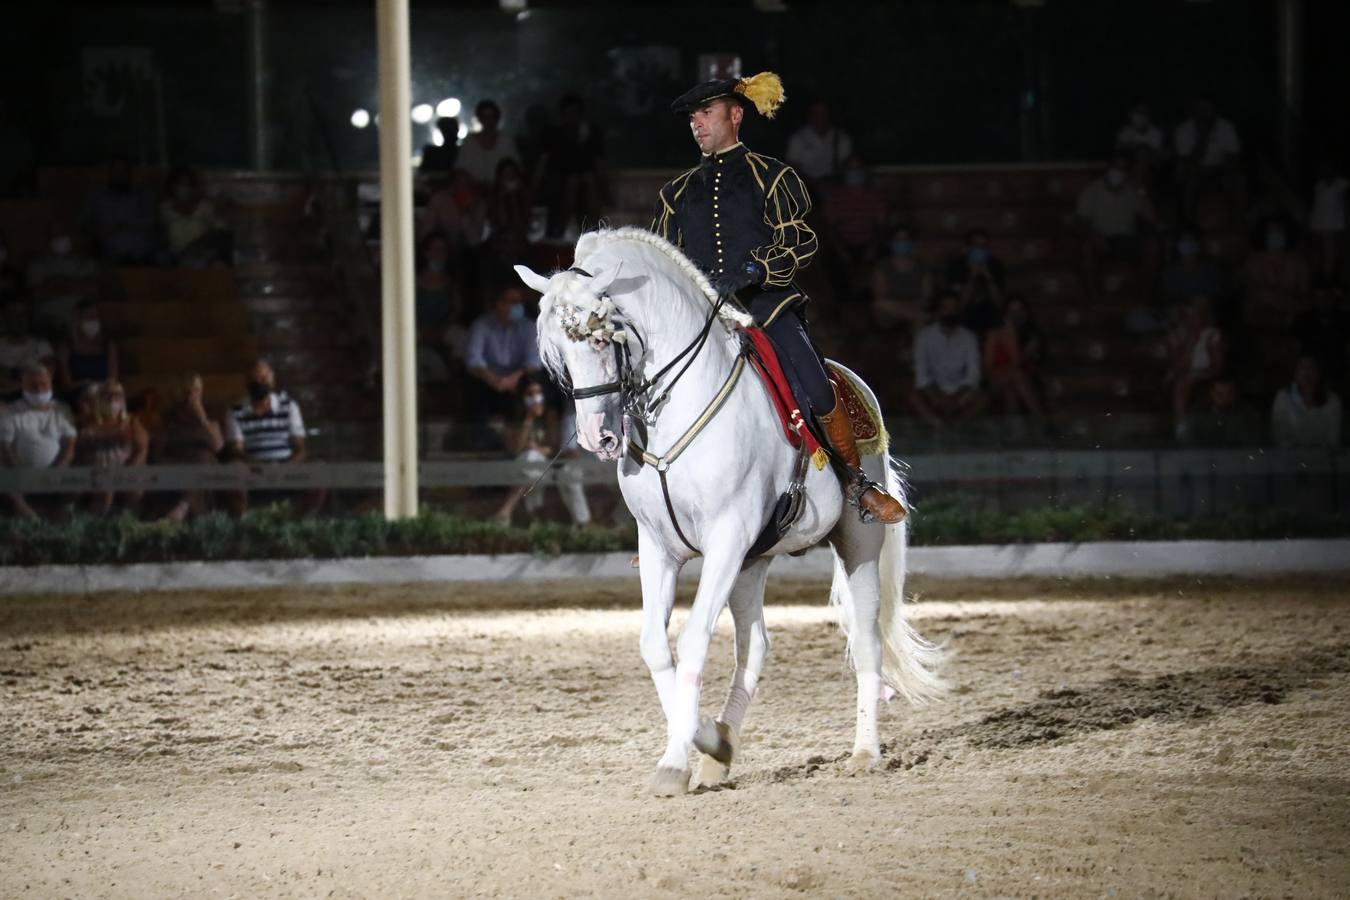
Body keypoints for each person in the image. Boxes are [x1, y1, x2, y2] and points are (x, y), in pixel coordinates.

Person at [654, 71, 904, 522]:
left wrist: (757, 269)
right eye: (692, 117)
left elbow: (802, 240)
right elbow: (663, 256)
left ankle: (856, 482)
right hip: (701, 316)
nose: (697, 123)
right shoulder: (676, 193)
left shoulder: (773, 176)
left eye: (706, 113)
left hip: (766, 307)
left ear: (735, 115)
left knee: (815, 386)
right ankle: (661, 513)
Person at [223, 359, 319, 515]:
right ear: (246, 382)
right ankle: (241, 526)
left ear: (272, 381)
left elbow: (300, 448)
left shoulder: (289, 406)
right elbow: (236, 451)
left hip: (287, 466)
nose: (258, 383)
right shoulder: (235, 411)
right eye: (254, 379)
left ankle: (304, 521)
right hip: (252, 467)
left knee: (319, 469)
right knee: (234, 469)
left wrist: (284, 467)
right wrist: (261, 466)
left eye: (263, 378)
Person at [493, 378, 591, 527]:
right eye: (530, 393)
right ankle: (534, 517)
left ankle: (509, 509)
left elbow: (553, 447)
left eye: (538, 392)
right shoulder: (516, 418)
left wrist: (537, 449)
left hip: (546, 464)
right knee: (530, 462)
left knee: (532, 461)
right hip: (521, 465)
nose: (535, 397)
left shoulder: (551, 415)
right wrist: (529, 419)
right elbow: (516, 447)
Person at [0, 362, 75, 519]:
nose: (40, 390)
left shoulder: (62, 410)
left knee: (76, 480)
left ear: (50, 384)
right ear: (23, 385)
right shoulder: (11, 411)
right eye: (33, 386)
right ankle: (30, 520)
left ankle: (62, 521)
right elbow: (4, 447)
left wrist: (60, 467)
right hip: (19, 470)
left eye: (43, 384)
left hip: (56, 470)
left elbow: (69, 444)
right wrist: (19, 472)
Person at [1075, 153, 1159, 293]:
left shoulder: (1133, 191)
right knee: (1086, 248)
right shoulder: (1091, 190)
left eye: (1123, 168)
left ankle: (1145, 297)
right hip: (1101, 239)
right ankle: (1094, 297)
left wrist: (1143, 191)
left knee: (1153, 246)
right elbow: (1080, 222)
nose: (1118, 172)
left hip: (1127, 240)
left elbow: (1152, 217)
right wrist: (1093, 235)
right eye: (1116, 167)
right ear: (1108, 168)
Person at [153, 373, 226, 523]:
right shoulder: (169, 417)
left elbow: (218, 447)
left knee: (203, 458)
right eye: (189, 390)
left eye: (197, 390)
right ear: (180, 393)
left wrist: (202, 419)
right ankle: (197, 520)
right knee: (199, 470)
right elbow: (157, 453)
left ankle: (182, 508)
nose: (193, 395)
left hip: (206, 466)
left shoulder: (210, 413)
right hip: (177, 465)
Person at [464, 286, 541, 426]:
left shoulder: (529, 327)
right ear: (499, 304)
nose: (518, 306)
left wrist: (512, 379)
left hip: (518, 379)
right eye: (513, 301)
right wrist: (495, 380)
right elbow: (474, 360)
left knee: (535, 384)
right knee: (472, 387)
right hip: (487, 379)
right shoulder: (481, 325)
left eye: (519, 301)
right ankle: (479, 436)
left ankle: (530, 437)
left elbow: (534, 361)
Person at [907, 290, 987, 422]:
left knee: (983, 398)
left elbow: (973, 375)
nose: (950, 312)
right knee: (913, 397)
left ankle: (958, 427)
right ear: (938, 310)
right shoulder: (924, 337)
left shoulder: (969, 337)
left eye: (953, 308)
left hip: (961, 392)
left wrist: (955, 399)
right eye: (946, 308)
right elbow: (921, 376)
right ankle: (937, 427)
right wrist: (939, 398)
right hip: (934, 391)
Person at [74, 380, 148, 515]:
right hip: (92, 471)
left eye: (117, 395)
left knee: (132, 486)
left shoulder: (132, 422)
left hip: (124, 470)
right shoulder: (85, 421)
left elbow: (142, 448)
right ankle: (97, 526)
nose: (112, 399)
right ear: (99, 398)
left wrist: (130, 470)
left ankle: (127, 525)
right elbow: (78, 450)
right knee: (103, 483)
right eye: (107, 395)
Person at [538, 94, 605, 239]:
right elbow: (543, 165)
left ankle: (594, 232)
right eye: (567, 114)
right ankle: (557, 233)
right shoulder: (553, 134)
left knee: (588, 182)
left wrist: (605, 189)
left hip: (586, 188)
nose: (571, 117)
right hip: (558, 186)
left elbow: (598, 165)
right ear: (561, 115)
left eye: (575, 113)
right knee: (572, 184)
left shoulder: (592, 134)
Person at [81, 157, 161, 265]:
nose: (120, 174)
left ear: (129, 173)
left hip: (141, 252)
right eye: (116, 170)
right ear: (110, 172)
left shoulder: (143, 195)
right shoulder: (97, 196)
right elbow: (85, 224)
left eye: (123, 170)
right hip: (108, 251)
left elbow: (152, 222)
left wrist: (128, 225)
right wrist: (102, 230)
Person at [1173, 97, 1242, 221]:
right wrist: (1202, 138)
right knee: (1188, 181)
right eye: (1201, 109)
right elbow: (1186, 162)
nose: (1204, 113)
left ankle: (1235, 220)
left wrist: (1225, 170)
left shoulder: (1226, 127)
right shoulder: (1183, 130)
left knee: (1237, 180)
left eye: (1208, 109)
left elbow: (1234, 156)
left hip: (1220, 169)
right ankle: (1188, 222)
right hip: (1194, 170)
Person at [1168, 296, 1226, 441]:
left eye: (1194, 316)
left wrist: (1200, 374)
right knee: (1182, 382)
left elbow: (1218, 365)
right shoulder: (1178, 335)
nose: (1191, 320)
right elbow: (1177, 365)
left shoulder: (1211, 335)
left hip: (1207, 373)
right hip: (1183, 374)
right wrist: (1189, 344)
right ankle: (1181, 425)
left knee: (1187, 381)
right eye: (1187, 317)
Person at [24, 222, 100, 329]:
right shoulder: (37, 265)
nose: (59, 239)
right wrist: (79, 285)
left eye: (62, 234)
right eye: (55, 235)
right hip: (51, 325)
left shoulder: (87, 263)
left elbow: (95, 288)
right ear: (49, 239)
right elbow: (37, 294)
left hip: (83, 325)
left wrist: (57, 282)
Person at [1239, 217, 1309, 331]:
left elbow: (1305, 296)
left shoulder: (1298, 261)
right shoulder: (1253, 260)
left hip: (1290, 322)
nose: (1276, 235)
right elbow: (1244, 290)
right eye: (1271, 232)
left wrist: (1287, 300)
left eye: (1279, 231)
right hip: (1257, 323)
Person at [982, 295, 1044, 417]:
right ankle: (1042, 420)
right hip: (995, 377)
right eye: (1012, 311)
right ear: (1005, 314)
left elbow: (1019, 363)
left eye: (1019, 310)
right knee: (1016, 376)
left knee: (1011, 390)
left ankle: (1015, 432)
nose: (1015, 314)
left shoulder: (1031, 334)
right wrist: (1010, 337)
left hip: (1020, 377)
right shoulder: (994, 333)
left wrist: (1012, 339)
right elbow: (988, 366)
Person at [820, 155, 887, 264]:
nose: (854, 172)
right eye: (851, 169)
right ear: (844, 172)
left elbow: (881, 225)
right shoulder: (834, 195)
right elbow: (829, 228)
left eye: (858, 168)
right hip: (842, 244)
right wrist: (841, 250)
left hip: (869, 243)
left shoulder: (875, 195)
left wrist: (872, 249)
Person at [160, 167, 233, 267]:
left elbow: (220, 230)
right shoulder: (165, 209)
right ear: (172, 187)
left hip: (202, 257)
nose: (183, 188)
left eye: (187, 185)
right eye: (179, 184)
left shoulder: (204, 207)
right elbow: (162, 237)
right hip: (176, 259)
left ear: (192, 187)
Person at [869, 225, 932, 329]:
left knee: (919, 321)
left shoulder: (922, 266)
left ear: (911, 243)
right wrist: (903, 308)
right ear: (891, 243)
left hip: (915, 307)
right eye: (898, 240)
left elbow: (927, 296)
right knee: (880, 305)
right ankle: (915, 316)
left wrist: (910, 307)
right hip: (892, 311)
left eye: (905, 240)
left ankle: (915, 318)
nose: (901, 243)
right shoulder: (882, 266)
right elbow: (880, 297)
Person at [1271, 355, 1341, 449]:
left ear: (1318, 372)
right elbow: (1279, 436)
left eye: (1311, 367)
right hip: (1290, 459)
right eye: (1302, 367)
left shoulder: (1332, 400)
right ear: (1295, 372)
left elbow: (1333, 439)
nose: (1307, 373)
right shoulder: (1283, 398)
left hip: (1323, 459)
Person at [56, 301, 119, 401]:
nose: (94, 321)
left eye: (96, 318)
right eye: (89, 318)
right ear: (78, 321)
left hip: (103, 393)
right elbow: (66, 384)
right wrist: (85, 384)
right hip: (78, 394)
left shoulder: (107, 345)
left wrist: (102, 387)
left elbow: (113, 379)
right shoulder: (66, 347)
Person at [785, 99, 853, 188]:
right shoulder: (798, 139)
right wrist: (814, 183)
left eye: (823, 113)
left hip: (836, 187)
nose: (820, 117)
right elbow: (792, 170)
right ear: (809, 116)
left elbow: (849, 166)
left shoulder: (841, 138)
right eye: (816, 113)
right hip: (807, 188)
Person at [1289, 284, 1349, 384]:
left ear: (1332, 299)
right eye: (1318, 298)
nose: (1323, 302)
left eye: (1326, 297)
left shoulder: (1344, 319)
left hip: (1338, 373)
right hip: (1309, 374)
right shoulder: (1303, 319)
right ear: (1313, 300)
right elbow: (1293, 347)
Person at [1185, 377, 1262, 448]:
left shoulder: (1247, 415)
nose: (1224, 398)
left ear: (1235, 393)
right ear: (1212, 393)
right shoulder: (1198, 415)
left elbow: (1253, 442)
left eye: (1229, 393)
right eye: (1220, 394)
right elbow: (1189, 441)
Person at [0, 302, 56, 398]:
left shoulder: (41, 344)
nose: (18, 319)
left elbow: (46, 376)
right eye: (12, 315)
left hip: (35, 396)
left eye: (22, 315)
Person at [458, 100, 517, 189]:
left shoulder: (506, 140)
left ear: (497, 118)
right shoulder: (469, 142)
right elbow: (461, 169)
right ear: (479, 119)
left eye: (492, 116)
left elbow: (514, 167)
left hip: (502, 191)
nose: (488, 121)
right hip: (473, 191)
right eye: (485, 117)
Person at [1308, 160, 1347, 282]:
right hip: (1316, 223)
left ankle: (1329, 279)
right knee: (1318, 253)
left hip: (1333, 224)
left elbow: (1345, 203)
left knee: (1330, 253)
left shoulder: (1342, 183)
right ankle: (1319, 277)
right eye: (1323, 167)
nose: (1326, 170)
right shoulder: (1319, 184)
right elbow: (1316, 205)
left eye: (1328, 167)